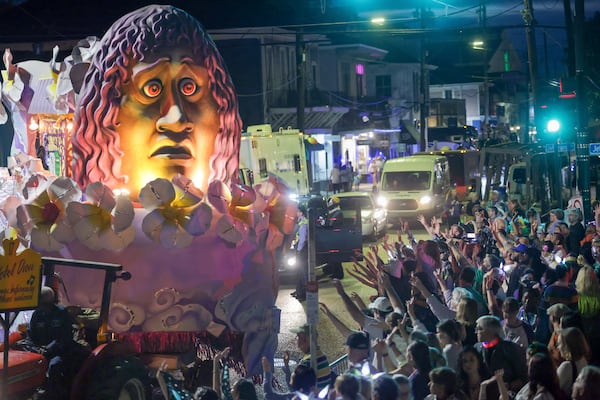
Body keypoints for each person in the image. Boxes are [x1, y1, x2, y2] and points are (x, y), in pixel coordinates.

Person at [71, 4, 242, 196]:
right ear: (104, 115)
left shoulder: (238, 224)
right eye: (152, 89)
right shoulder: (83, 224)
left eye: (189, 87)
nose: (175, 119)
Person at [28, 286, 90, 400]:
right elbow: (31, 334)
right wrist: (34, 347)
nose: (42, 307)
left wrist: (48, 349)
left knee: (54, 365)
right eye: (41, 304)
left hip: (60, 351)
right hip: (39, 350)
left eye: (45, 304)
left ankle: (52, 395)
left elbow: (65, 337)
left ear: (51, 303)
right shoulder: (36, 314)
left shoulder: (61, 313)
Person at [474, 315, 527, 392]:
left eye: (480, 329)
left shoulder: (509, 348)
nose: (476, 332)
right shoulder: (477, 348)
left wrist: (510, 385)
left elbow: (522, 374)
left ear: (490, 331)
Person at [285, 324, 331, 391]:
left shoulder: (307, 362)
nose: (296, 339)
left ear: (304, 340)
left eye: (297, 336)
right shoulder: (322, 356)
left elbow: (293, 387)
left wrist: (286, 366)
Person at [556, 327, 590, 395]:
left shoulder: (566, 366)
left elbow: (552, 388)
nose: (558, 347)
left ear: (567, 347)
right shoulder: (583, 360)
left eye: (559, 344)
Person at [291, 205, 308, 301]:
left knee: (302, 272)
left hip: (301, 250)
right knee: (298, 271)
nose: (295, 213)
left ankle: (303, 293)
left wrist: (298, 250)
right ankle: (298, 291)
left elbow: (302, 239)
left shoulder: (303, 223)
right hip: (299, 248)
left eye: (297, 211)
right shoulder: (299, 221)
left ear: (301, 213)